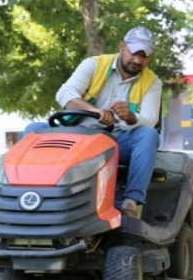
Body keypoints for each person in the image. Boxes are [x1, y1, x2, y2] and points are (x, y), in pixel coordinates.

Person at [24, 27, 162, 218]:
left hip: (116, 143)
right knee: (33, 130)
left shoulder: (153, 82)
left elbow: (150, 119)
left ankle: (131, 203)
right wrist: (94, 111)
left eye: (145, 56)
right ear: (122, 46)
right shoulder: (94, 65)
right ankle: (30, 194)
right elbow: (65, 94)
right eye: (134, 53)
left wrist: (131, 117)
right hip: (76, 138)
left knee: (148, 135)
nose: (138, 60)